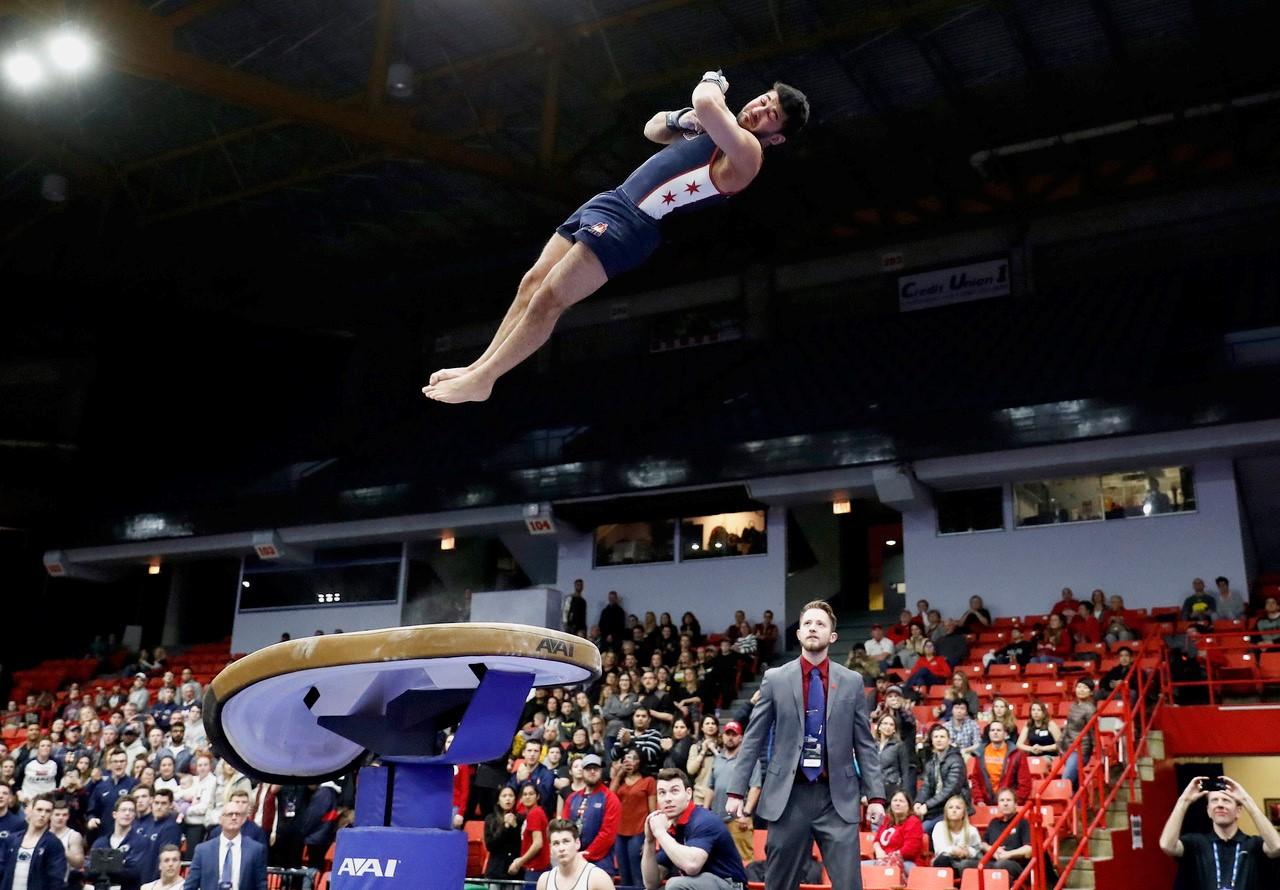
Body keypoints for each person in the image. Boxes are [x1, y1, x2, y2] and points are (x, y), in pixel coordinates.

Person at [422, 71, 809, 403]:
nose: (758, 109)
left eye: (770, 115)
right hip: (612, 200)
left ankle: (485, 380)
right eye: (764, 100)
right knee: (531, 283)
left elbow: (707, 101)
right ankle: (477, 368)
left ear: (776, 138)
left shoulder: (747, 152)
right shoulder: (718, 128)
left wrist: (711, 81)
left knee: (550, 297)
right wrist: (683, 119)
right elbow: (653, 128)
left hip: (633, 224)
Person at [726, 600, 884, 890]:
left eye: (820, 624)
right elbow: (753, 738)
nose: (813, 628)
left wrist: (875, 796)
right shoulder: (775, 679)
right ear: (798, 634)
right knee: (779, 884)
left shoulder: (851, 681)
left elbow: (865, 744)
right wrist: (737, 790)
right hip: (788, 797)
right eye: (808, 623)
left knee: (850, 885)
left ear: (832, 637)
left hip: (837, 799)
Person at [1159, 775, 1280, 889]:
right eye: (1214, 800)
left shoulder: (1254, 844)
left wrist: (1246, 800)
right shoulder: (1194, 843)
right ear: (1208, 811)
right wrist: (1184, 801)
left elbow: (1276, 847)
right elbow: (1167, 845)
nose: (1220, 805)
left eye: (1226, 800)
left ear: (1238, 811)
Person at [642, 768, 749, 890]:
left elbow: (692, 866)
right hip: (701, 884)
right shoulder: (671, 828)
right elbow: (651, 883)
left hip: (731, 885)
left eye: (674, 791)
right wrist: (649, 841)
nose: (668, 798)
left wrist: (660, 833)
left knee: (675, 885)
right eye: (662, 793)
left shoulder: (704, 820)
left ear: (688, 794)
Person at [181, 798, 268, 890]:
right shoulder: (203, 850)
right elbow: (190, 885)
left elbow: (261, 885)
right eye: (230, 814)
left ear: (243, 820)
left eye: (238, 814)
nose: (234, 817)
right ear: (221, 819)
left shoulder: (256, 849)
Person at [705, 720, 759, 865]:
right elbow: (711, 787)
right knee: (716, 860)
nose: (730, 737)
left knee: (744, 861)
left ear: (741, 737)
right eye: (727, 734)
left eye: (734, 734)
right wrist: (704, 811)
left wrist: (746, 814)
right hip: (717, 819)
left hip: (738, 820)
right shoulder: (718, 759)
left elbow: (755, 787)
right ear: (722, 736)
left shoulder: (749, 760)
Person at [559, 755, 619, 877]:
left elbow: (608, 834)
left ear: (601, 771)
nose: (592, 772)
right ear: (583, 771)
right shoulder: (572, 798)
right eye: (588, 768)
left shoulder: (610, 798)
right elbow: (564, 829)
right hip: (573, 861)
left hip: (601, 863)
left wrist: (586, 854)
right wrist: (572, 853)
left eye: (595, 768)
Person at [609, 750, 655, 890]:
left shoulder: (648, 781)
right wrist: (618, 775)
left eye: (633, 758)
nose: (629, 761)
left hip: (638, 831)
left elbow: (653, 812)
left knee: (637, 872)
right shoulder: (620, 781)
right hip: (620, 832)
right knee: (623, 873)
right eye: (626, 758)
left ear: (639, 762)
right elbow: (609, 798)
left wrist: (650, 838)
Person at [0, 793, 66, 890]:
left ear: (51, 815)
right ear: (30, 811)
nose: (43, 814)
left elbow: (56, 880)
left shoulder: (54, 843)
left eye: (47, 811)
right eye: (39, 810)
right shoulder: (12, 839)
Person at [914, 725, 969, 835]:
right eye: (936, 737)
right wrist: (918, 802)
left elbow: (950, 790)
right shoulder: (932, 761)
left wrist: (927, 805)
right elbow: (926, 786)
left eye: (942, 737)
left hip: (953, 808)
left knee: (923, 829)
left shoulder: (956, 760)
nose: (939, 740)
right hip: (936, 807)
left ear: (949, 740)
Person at [88, 797, 151, 890]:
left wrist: (103, 864)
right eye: (123, 810)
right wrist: (120, 863)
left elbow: (134, 872)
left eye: (131, 810)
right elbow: (90, 872)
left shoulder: (141, 842)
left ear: (134, 815)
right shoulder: (100, 843)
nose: (127, 813)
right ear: (114, 814)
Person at [535, 820, 614, 890]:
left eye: (566, 841)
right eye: (556, 843)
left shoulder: (597, 877)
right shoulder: (544, 881)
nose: (561, 848)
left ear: (577, 843)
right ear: (550, 848)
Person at [967, 722, 1032, 805]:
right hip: (985, 804)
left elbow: (1025, 783)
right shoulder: (980, 753)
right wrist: (979, 800)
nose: (995, 732)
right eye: (992, 730)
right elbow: (975, 779)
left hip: (1008, 804)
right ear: (989, 734)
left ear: (1005, 734)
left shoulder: (1017, 754)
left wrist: (1014, 802)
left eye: (999, 730)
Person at [979, 788, 1033, 880]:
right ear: (998, 805)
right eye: (1002, 800)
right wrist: (992, 850)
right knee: (967, 864)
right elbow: (983, 843)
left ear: (1015, 804)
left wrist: (1008, 854)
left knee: (1000, 865)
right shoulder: (994, 822)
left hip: (1015, 864)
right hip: (993, 860)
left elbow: (1029, 849)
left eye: (1008, 800)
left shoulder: (1023, 822)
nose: (1005, 803)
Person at [870, 791, 925, 873]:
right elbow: (877, 840)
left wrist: (889, 857)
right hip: (882, 861)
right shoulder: (887, 820)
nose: (897, 803)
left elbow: (910, 850)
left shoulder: (913, 821)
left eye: (901, 801)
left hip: (906, 863)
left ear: (909, 805)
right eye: (895, 800)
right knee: (859, 867)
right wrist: (878, 850)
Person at [1058, 679, 1097, 790]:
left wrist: (1097, 749)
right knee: (1075, 784)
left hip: (1080, 750)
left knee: (1066, 780)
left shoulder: (1090, 709)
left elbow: (1093, 731)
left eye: (1085, 688)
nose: (1081, 690)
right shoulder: (1074, 706)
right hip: (1068, 747)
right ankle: (1080, 806)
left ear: (1091, 692)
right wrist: (1060, 743)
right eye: (1079, 687)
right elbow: (1068, 727)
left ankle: (1064, 806)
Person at [930, 795, 982, 872]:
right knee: (942, 859)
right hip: (947, 861)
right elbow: (939, 849)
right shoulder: (939, 826)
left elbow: (977, 850)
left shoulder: (971, 830)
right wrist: (954, 850)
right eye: (950, 807)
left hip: (966, 861)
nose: (954, 810)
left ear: (963, 813)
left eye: (958, 808)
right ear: (946, 811)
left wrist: (967, 852)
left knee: (966, 864)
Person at [484, 787, 524, 884]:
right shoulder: (490, 819)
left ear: (515, 800)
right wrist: (505, 827)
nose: (508, 799)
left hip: (514, 870)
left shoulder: (520, 819)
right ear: (498, 800)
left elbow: (522, 845)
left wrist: (514, 826)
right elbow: (490, 845)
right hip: (496, 870)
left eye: (511, 796)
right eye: (504, 796)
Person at [873, 715, 912, 803]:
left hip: (892, 789)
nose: (888, 727)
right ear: (879, 727)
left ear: (894, 729)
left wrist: (904, 793)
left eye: (891, 724)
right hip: (874, 789)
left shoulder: (899, 745)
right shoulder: (872, 745)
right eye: (885, 723)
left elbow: (905, 771)